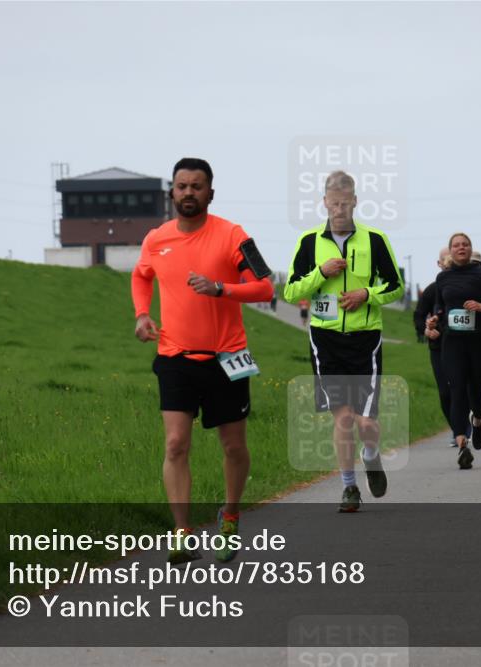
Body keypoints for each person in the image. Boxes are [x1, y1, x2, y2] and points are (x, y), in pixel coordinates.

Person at [132, 157, 274, 563]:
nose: (189, 193)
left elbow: (265, 287)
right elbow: (142, 275)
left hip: (227, 356)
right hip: (175, 355)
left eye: (197, 186)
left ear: (211, 193)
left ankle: (229, 516)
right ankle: (182, 531)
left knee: (233, 447)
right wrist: (142, 314)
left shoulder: (232, 236)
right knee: (175, 444)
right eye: (182, 186)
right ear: (171, 192)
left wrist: (220, 289)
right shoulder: (156, 238)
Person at [283, 170, 405, 512]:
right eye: (333, 202)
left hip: (366, 341)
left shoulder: (375, 239)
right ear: (324, 202)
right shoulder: (309, 242)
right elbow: (291, 291)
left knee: (366, 423)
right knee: (345, 418)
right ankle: (349, 488)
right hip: (325, 342)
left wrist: (366, 294)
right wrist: (320, 274)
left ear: (355, 201)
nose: (339, 208)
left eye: (345, 202)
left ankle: (371, 454)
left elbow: (396, 287)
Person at [426, 233, 481, 470]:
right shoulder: (443, 277)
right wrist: (434, 320)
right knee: (457, 389)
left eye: (465, 245)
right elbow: (441, 308)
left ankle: (479, 421)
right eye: (456, 245)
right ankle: (462, 444)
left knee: (477, 394)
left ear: (470, 249)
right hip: (452, 343)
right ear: (450, 251)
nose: (461, 248)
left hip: (479, 342)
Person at [414, 248, 466, 447]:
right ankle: (457, 429)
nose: (450, 262)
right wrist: (426, 331)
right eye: (446, 259)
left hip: (463, 345)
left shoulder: (467, 287)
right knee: (445, 392)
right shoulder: (431, 290)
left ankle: (465, 425)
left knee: (463, 389)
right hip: (438, 347)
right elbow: (419, 316)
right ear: (440, 264)